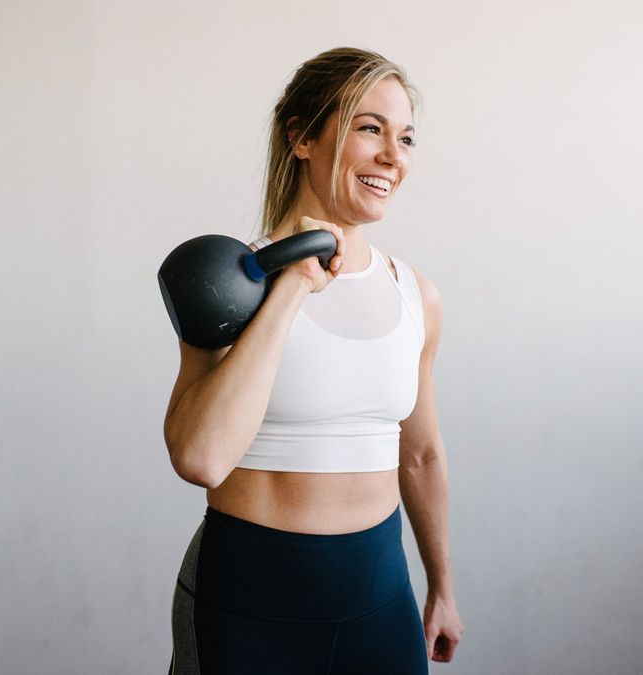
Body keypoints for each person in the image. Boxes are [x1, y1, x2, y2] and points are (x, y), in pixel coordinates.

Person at [164, 47, 462, 674]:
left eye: (405, 136)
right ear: (302, 135)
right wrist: (292, 286)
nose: (393, 155)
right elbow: (200, 456)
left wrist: (442, 586)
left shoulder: (417, 296)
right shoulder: (230, 285)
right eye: (369, 127)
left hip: (379, 599)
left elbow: (421, 453)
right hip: (247, 604)